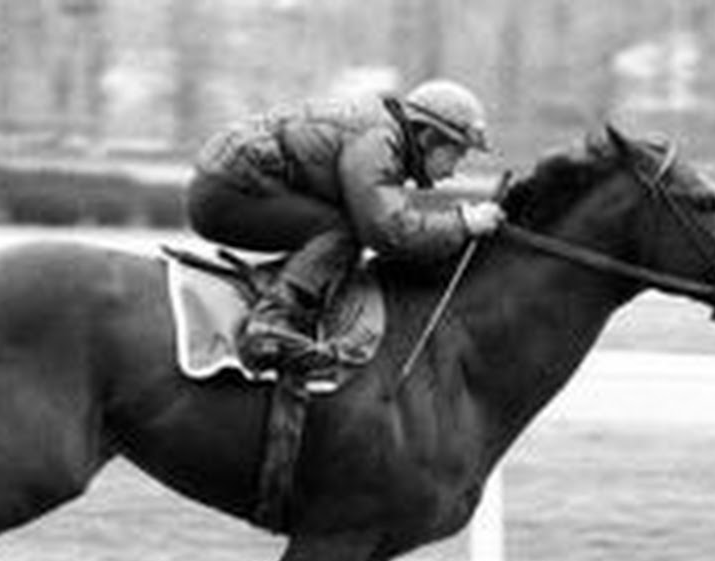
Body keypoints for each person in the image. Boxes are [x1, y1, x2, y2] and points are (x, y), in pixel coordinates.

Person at [186, 79, 505, 380]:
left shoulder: (384, 135)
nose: (454, 170)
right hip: (229, 190)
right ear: (430, 137)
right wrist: (463, 223)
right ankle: (271, 324)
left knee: (342, 234)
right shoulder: (378, 142)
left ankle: (282, 303)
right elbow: (388, 231)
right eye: (457, 153)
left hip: (235, 182)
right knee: (341, 233)